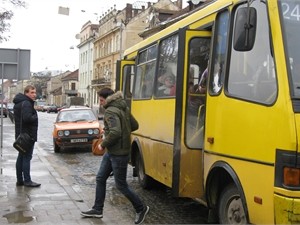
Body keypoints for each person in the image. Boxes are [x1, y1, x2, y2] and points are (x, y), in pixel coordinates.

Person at [81, 88, 149, 225]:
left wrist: (103, 144)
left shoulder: (111, 111)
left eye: (101, 100)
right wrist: (123, 132)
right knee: (100, 178)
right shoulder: (123, 107)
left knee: (121, 185)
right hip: (113, 152)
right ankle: (97, 209)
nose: (100, 103)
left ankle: (141, 208)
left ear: (108, 98)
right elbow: (135, 125)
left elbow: (116, 132)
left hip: (118, 153)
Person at [13, 85, 40, 188]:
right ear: (26, 93)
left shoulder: (19, 103)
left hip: (20, 134)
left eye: (35, 92)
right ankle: (27, 180)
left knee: (21, 157)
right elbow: (27, 118)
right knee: (27, 157)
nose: (34, 95)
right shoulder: (27, 103)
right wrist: (36, 116)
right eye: (32, 92)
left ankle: (20, 180)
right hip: (27, 136)